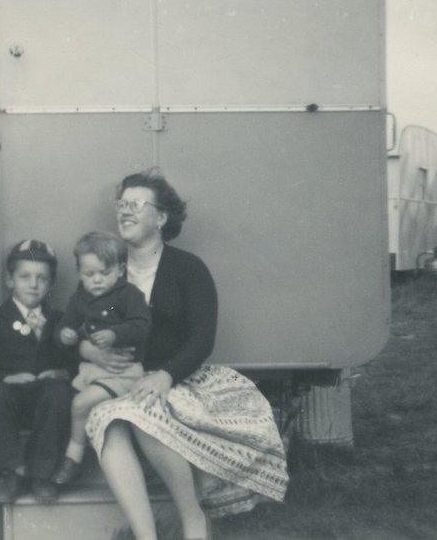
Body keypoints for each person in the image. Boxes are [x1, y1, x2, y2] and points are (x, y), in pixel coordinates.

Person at [84, 170, 289, 540]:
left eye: (136, 204)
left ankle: (193, 520)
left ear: (161, 218)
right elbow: (91, 326)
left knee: (144, 409)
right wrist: (97, 356)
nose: (125, 212)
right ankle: (146, 535)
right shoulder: (110, 274)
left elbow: (202, 338)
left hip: (181, 378)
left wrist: (165, 375)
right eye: (122, 204)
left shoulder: (188, 269)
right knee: (106, 420)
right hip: (126, 380)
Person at [51, 231, 151, 486]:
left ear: (119, 270)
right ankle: (73, 455)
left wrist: (115, 333)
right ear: (80, 272)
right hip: (92, 371)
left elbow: (142, 325)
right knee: (67, 403)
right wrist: (66, 334)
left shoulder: (129, 295)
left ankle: (73, 458)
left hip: (122, 372)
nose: (96, 280)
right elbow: (65, 327)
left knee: (80, 404)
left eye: (103, 273)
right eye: (89, 274)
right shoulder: (79, 299)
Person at [0, 239, 73, 503]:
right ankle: (13, 472)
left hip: (45, 396)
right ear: (10, 280)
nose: (33, 284)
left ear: (51, 284)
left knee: (59, 394)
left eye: (42, 278)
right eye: (25, 276)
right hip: (9, 395)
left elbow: (72, 361)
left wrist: (61, 374)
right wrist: (5, 377)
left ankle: (42, 475)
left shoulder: (60, 320)